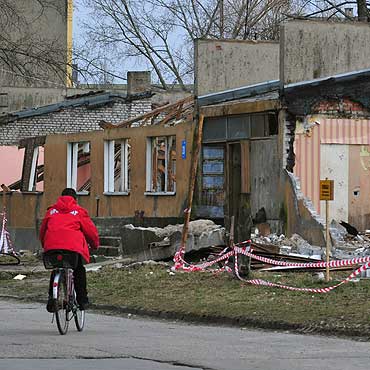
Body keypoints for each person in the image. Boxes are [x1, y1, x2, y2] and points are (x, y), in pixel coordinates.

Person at [39, 188, 99, 312]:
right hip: (72, 249)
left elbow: (43, 231)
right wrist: (94, 245)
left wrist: (46, 245)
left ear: (60, 198)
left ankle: (52, 298)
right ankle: (83, 300)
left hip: (52, 247)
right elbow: (91, 232)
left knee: (56, 268)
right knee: (78, 270)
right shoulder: (79, 211)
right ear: (75, 199)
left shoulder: (51, 211)